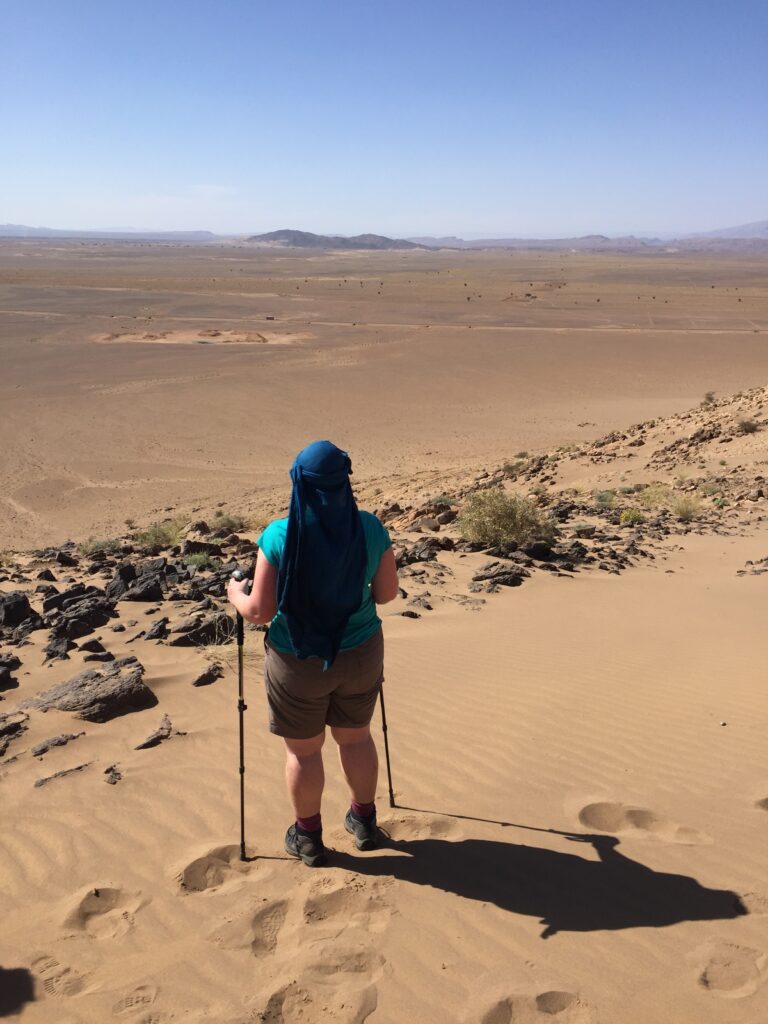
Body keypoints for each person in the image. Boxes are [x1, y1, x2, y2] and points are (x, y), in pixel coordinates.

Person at [226, 440, 399, 867]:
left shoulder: (279, 535)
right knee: (356, 737)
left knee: (303, 752)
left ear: (299, 483)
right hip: (360, 652)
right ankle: (364, 821)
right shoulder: (370, 528)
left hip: (297, 659)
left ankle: (308, 838)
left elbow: (260, 612)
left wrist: (234, 592)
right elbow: (388, 594)